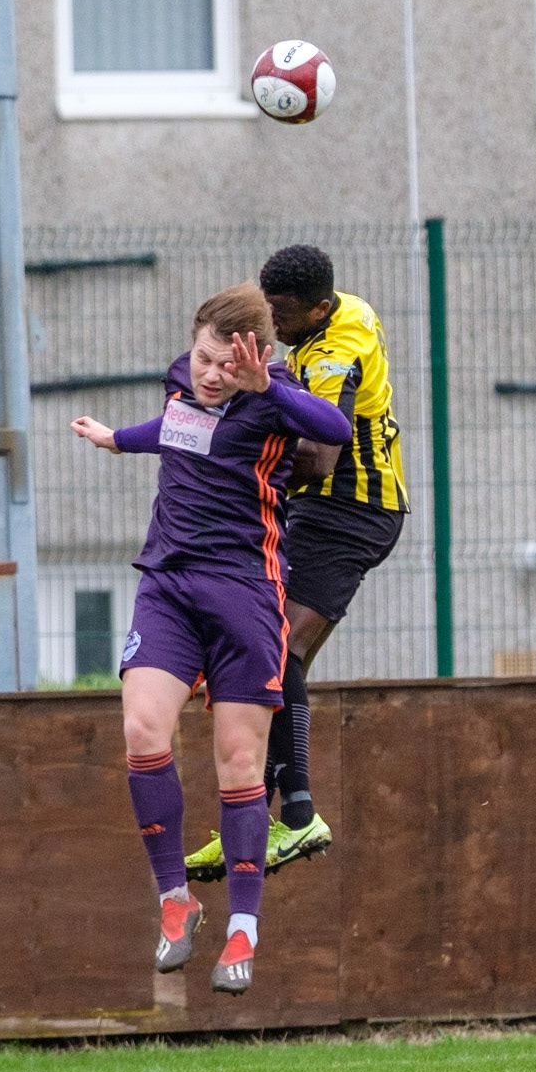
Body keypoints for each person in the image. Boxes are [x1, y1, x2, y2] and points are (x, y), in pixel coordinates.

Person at [71, 282, 350, 995]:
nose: (212, 374)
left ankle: (243, 928)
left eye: (228, 365)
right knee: (141, 731)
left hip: (245, 592)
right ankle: (176, 900)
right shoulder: (182, 376)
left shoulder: (274, 394)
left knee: (238, 761)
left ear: (254, 356)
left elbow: (334, 429)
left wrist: (268, 387)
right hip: (167, 584)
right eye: (204, 358)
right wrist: (116, 439)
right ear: (192, 343)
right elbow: (175, 427)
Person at [186, 244, 410, 883]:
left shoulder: (337, 355)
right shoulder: (332, 317)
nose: (273, 325)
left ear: (318, 309)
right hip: (316, 512)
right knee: (266, 660)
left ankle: (300, 815)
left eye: (281, 315)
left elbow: (317, 458)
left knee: (279, 653)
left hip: (353, 512)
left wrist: (232, 455)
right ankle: (253, 823)